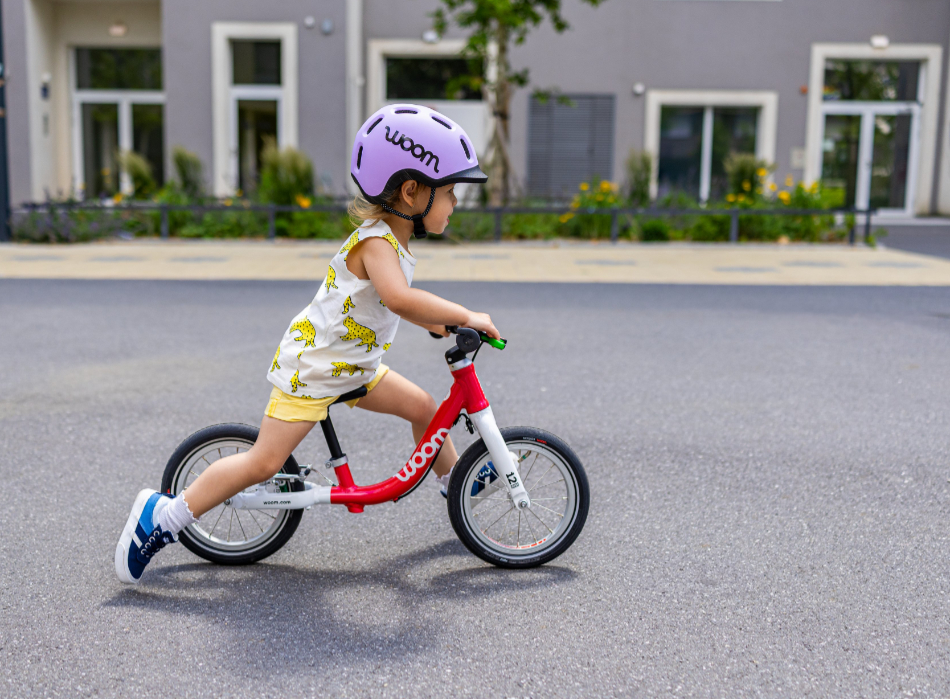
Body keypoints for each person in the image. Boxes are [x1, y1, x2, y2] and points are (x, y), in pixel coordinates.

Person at [115, 104, 499, 584]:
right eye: (450, 192)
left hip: (353, 365)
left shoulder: (393, 240)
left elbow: (386, 302)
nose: (456, 202)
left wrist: (437, 324)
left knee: (423, 407)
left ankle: (456, 483)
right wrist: (463, 315)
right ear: (410, 191)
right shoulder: (376, 242)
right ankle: (163, 517)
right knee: (264, 463)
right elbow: (399, 298)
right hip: (315, 369)